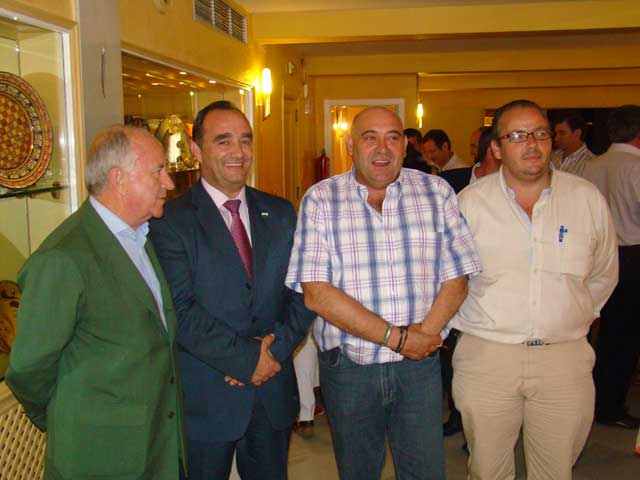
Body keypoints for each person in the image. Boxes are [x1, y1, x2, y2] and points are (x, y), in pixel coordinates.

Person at [286, 106, 481, 480]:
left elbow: (457, 276)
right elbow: (316, 292)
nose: (382, 148)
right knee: (358, 471)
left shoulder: (435, 191)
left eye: (393, 137)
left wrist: (420, 340)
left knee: (425, 470)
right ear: (349, 145)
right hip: (350, 369)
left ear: (405, 145)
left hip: (419, 367)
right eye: (369, 137)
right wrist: (398, 337)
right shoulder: (321, 200)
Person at [6, 126, 186, 479]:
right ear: (119, 179)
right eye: (158, 171)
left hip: (156, 446)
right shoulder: (63, 258)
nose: (169, 183)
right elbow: (28, 368)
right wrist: (74, 416)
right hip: (100, 457)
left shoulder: (139, 237)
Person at [452, 99, 618, 480]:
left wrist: (571, 315)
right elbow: (451, 280)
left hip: (564, 359)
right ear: (496, 148)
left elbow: (604, 273)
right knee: (488, 470)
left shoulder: (585, 199)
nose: (532, 143)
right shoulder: (468, 205)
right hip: (487, 357)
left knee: (555, 471)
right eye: (517, 135)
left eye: (541, 133)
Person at [149, 100, 315, 480]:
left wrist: (269, 354)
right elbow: (180, 309)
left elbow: (303, 292)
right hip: (207, 399)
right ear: (196, 150)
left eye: (245, 140)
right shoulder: (170, 222)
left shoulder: (282, 212)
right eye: (223, 141)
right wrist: (244, 360)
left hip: (272, 391)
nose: (238, 152)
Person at [583, 104, 640, 429]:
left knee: (602, 335)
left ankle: (598, 398)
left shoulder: (595, 165)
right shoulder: (636, 166)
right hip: (631, 256)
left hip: (598, 256)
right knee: (625, 337)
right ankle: (611, 406)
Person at [440, 126, 501, 194]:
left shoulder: (508, 185)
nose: (471, 151)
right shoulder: (449, 179)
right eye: (472, 146)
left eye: (474, 146)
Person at [550, 110, 595, 177]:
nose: (556, 138)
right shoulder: (552, 156)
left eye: (562, 133)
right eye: (556, 134)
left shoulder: (591, 162)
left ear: (577, 133)